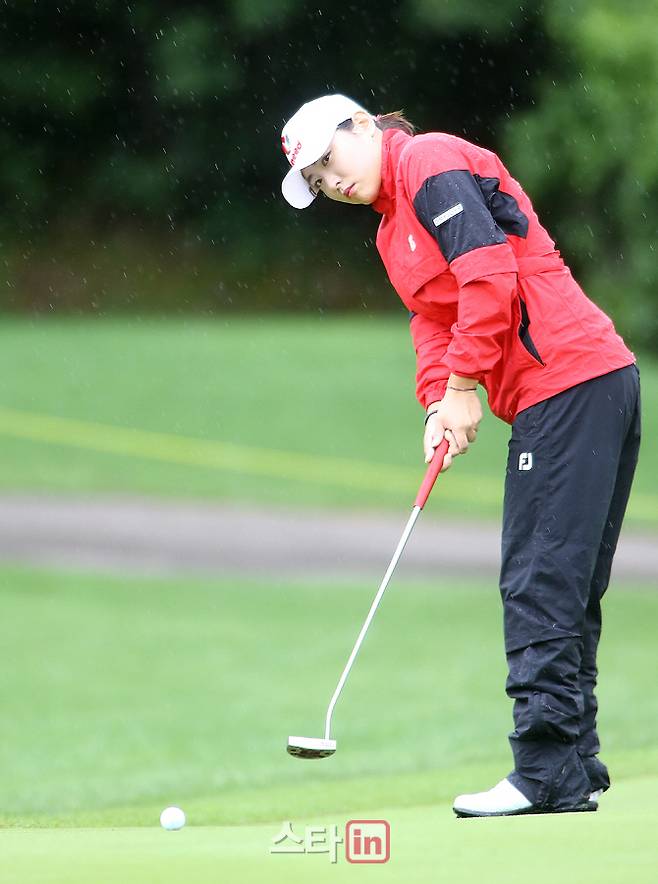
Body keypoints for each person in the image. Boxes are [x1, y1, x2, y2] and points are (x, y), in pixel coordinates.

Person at [279, 94, 641, 817]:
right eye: (315, 181)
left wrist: (464, 385)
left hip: (569, 381)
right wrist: (437, 404)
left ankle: (544, 770)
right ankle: (571, 763)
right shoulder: (391, 231)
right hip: (578, 387)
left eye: (328, 161)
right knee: (563, 586)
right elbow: (432, 321)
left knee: (538, 580)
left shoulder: (428, 160)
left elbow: (489, 276)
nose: (331, 182)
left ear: (363, 127)